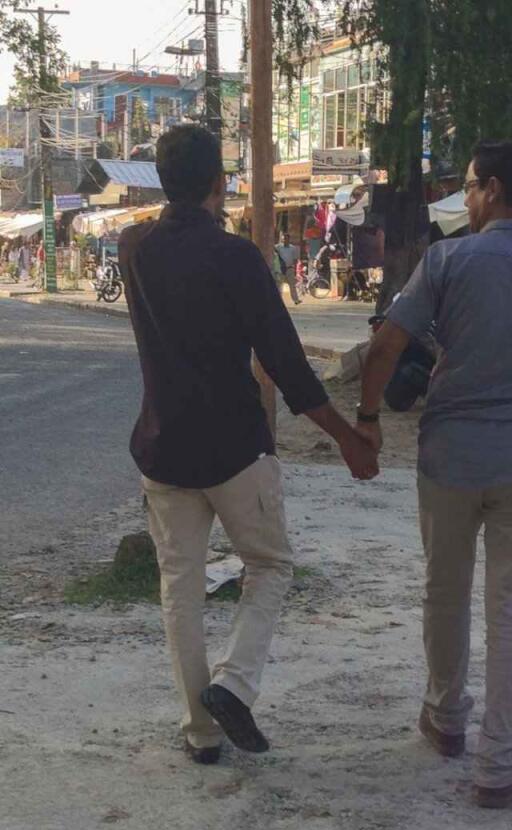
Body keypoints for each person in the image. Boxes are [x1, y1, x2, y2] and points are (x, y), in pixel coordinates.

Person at [119, 125, 377, 766]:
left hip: (163, 447)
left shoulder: (132, 247)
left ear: (160, 179)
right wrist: (348, 439)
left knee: (179, 584)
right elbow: (287, 366)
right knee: (270, 566)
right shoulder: (236, 258)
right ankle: (233, 686)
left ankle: (200, 733)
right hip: (235, 447)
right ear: (218, 182)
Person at [356, 141, 512, 809]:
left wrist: (368, 417)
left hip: (449, 463)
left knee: (445, 592)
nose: (464, 198)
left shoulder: (447, 261)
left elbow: (385, 345)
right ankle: (499, 767)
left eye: (468, 186)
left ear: (492, 189)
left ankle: (444, 720)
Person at [275, 232, 302, 305]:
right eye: (283, 239)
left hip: (290, 269)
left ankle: (296, 300)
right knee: (279, 285)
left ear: (288, 239)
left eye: (285, 239)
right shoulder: (277, 247)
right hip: (280, 269)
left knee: (292, 285)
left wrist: (296, 271)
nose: (284, 241)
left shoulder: (293, 248)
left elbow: (295, 260)